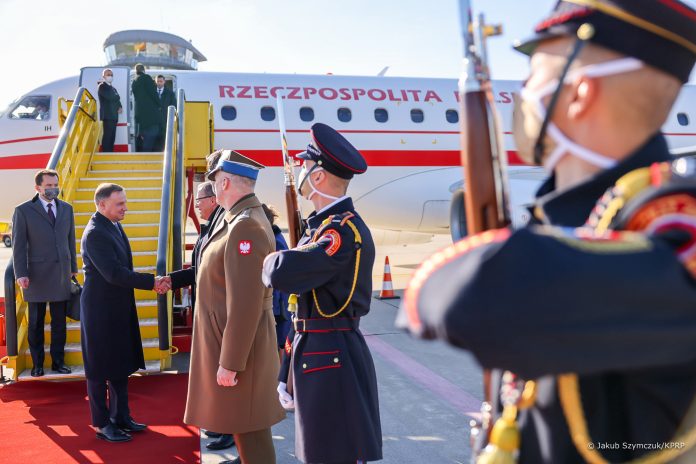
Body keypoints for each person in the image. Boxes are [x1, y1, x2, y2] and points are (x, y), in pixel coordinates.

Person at [398, 1, 696, 463]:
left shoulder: (671, 213)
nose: (521, 96)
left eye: (533, 75)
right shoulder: (562, 214)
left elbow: (474, 296)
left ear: (579, 93)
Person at [263, 122, 383, 464]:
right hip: (317, 351)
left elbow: (282, 272)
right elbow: (301, 311)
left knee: (335, 453)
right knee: (319, 452)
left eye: (305, 165)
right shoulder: (320, 227)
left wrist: (270, 260)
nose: (300, 170)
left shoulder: (341, 231)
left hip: (333, 355)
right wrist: (285, 370)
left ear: (318, 176)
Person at [183, 154, 284, 464]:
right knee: (246, 429)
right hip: (233, 344)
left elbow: (245, 302)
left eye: (215, 181)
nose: (214, 187)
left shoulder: (245, 225)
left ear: (225, 182)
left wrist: (230, 362)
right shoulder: (238, 218)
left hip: (240, 351)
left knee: (251, 434)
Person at [80, 183, 168, 443]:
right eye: (119, 204)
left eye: (125, 202)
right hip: (99, 310)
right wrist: (152, 282)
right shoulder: (95, 233)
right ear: (102, 204)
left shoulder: (113, 225)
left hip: (117, 306)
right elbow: (114, 273)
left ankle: (120, 416)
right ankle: (101, 423)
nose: (125, 208)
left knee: (119, 362)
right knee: (98, 368)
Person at [163, 176, 236, 451]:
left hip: (218, 313)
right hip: (207, 311)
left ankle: (230, 429)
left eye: (199, 201)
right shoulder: (211, 227)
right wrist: (171, 280)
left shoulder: (222, 226)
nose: (196, 206)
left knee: (224, 373)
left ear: (213, 200)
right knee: (213, 373)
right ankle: (222, 423)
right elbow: (198, 271)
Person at [12, 169, 77, 377]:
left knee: (59, 322)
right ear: (38, 187)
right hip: (35, 275)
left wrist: (73, 268)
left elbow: (70, 240)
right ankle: (37, 364)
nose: (53, 189)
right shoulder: (23, 211)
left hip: (61, 273)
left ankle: (58, 362)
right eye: (49, 185)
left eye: (55, 184)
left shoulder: (66, 209)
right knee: (35, 323)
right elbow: (18, 246)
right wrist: (21, 273)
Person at [261, 204, 291, 361]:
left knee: (280, 345)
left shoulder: (274, 242)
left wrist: (275, 312)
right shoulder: (277, 238)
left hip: (279, 308)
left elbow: (277, 279)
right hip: (281, 306)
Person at [131, 64, 161, 152]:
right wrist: (159, 104)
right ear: (144, 70)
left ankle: (145, 153)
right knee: (151, 136)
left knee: (145, 137)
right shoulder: (146, 78)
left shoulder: (134, 82)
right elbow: (153, 93)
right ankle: (147, 155)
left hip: (140, 114)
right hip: (150, 113)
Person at [98, 68, 122, 152]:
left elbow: (117, 101)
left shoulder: (113, 88)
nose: (110, 76)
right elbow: (111, 97)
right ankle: (106, 154)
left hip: (114, 116)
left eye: (111, 75)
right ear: (103, 76)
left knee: (112, 137)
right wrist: (117, 97)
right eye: (108, 75)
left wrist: (120, 106)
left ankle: (110, 153)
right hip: (107, 116)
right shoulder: (102, 86)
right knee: (107, 137)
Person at [155, 75, 177, 151]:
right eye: (158, 81)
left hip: (166, 121)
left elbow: (174, 106)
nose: (159, 83)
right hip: (154, 122)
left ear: (164, 82)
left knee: (165, 141)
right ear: (155, 82)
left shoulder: (170, 93)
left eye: (161, 81)